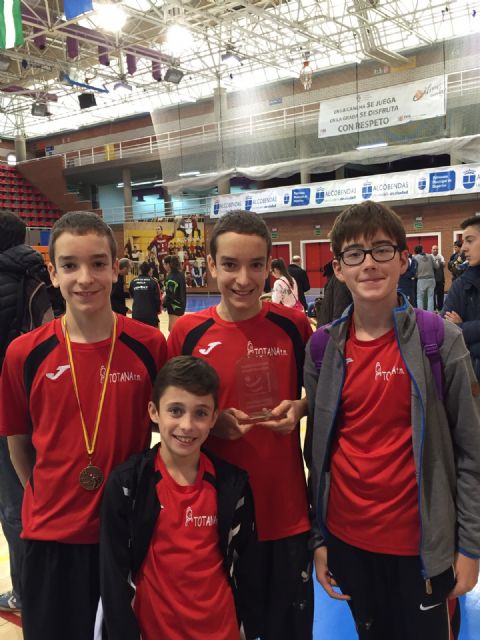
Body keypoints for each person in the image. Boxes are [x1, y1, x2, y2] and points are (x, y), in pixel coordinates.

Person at [304, 201, 480, 640]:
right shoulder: (322, 348)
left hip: (421, 549)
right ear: (338, 269)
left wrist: (470, 545)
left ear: (403, 260)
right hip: (349, 543)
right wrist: (319, 539)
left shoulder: (441, 340)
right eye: (354, 253)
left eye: (381, 250)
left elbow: (471, 452)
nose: (369, 263)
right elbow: (317, 452)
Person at [0, 211, 168, 640]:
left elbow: (170, 428)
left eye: (97, 264)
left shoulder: (149, 345)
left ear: (116, 269)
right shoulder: (24, 353)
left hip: (126, 537)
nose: (85, 278)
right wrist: (44, 494)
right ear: (53, 274)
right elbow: (18, 442)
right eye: (70, 265)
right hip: (51, 536)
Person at [168, 210, 314, 640]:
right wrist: (212, 426)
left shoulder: (293, 326)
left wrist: (300, 408)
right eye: (230, 265)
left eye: (255, 265)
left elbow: (319, 396)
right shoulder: (187, 333)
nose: (244, 279)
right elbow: (167, 419)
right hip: (212, 518)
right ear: (211, 265)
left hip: (285, 512)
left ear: (270, 267)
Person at [100, 355, 264, 640]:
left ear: (214, 418)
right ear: (154, 412)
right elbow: (114, 577)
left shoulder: (231, 486)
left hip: (222, 630)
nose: (187, 425)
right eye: (175, 411)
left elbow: (247, 569)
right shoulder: (128, 486)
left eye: (200, 413)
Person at [0, 211, 53, 613]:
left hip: (7, 411)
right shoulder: (40, 275)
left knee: (15, 506)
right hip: (47, 402)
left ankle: (26, 591)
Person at [442, 216, 480, 380]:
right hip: (472, 378)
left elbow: (456, 331)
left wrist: (461, 328)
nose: (463, 248)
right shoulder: (461, 285)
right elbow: (445, 329)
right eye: (463, 242)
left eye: (470, 241)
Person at [129, 261, 162, 328]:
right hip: (150, 315)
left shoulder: (133, 281)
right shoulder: (153, 282)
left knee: (138, 333)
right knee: (153, 332)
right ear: (149, 270)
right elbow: (157, 299)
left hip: (136, 314)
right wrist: (158, 310)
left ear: (140, 270)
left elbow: (132, 295)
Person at [163, 254, 186, 331]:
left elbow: (170, 294)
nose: (163, 266)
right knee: (174, 328)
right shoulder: (180, 274)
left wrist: (164, 304)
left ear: (168, 264)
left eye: (164, 264)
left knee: (173, 329)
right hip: (181, 304)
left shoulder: (172, 277)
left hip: (174, 306)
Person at [413, 244, 436, 311]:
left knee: (420, 297)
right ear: (422, 249)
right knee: (430, 297)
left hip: (421, 279)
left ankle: (421, 313)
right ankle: (430, 313)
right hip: (431, 279)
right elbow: (436, 266)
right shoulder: (430, 256)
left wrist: (415, 275)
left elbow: (414, 269)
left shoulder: (415, 258)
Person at [432, 244, 446, 311]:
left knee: (440, 293)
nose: (435, 250)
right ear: (431, 250)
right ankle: (434, 307)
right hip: (432, 278)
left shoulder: (440, 256)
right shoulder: (430, 257)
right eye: (434, 249)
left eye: (436, 249)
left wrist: (441, 262)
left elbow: (444, 265)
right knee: (432, 294)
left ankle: (440, 307)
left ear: (438, 250)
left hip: (440, 278)